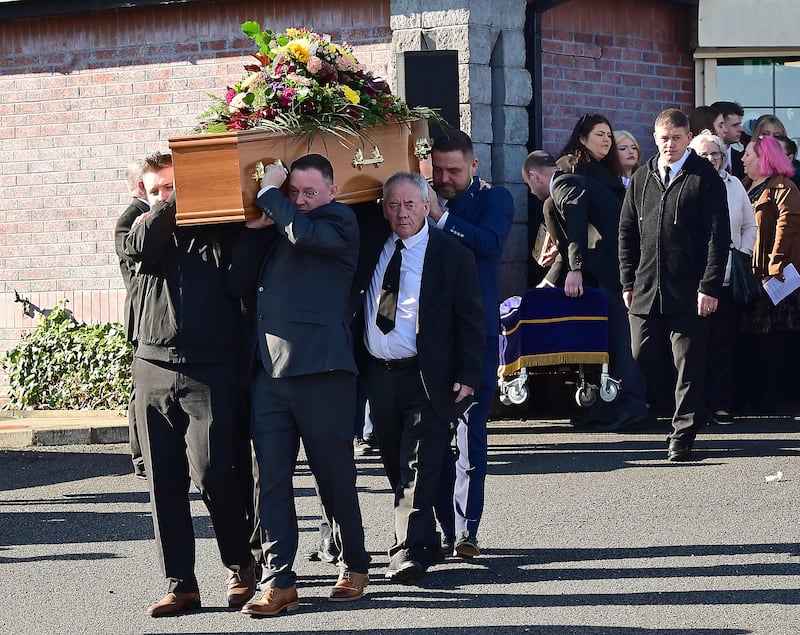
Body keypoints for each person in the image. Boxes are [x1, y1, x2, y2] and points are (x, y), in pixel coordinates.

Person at [227, 154, 371, 616]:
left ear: (332, 191)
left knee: (333, 477)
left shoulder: (339, 221)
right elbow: (241, 283)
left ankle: (354, 563)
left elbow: (304, 234)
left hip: (322, 374)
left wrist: (270, 193)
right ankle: (279, 579)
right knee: (270, 481)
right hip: (269, 373)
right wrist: (254, 227)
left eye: (311, 192)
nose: (302, 201)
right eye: (296, 193)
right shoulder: (280, 223)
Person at [122, 152, 255, 617]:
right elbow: (139, 243)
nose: (166, 196)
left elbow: (240, 282)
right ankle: (181, 585)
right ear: (143, 193)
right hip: (152, 369)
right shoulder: (133, 228)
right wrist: (169, 201)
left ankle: (239, 567)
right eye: (157, 189)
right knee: (164, 484)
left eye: (174, 187)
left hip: (209, 370)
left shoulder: (216, 227)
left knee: (216, 474)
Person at [351, 171, 485, 583]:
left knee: (418, 464)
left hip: (428, 376)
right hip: (378, 375)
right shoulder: (372, 245)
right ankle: (425, 539)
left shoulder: (451, 254)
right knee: (394, 462)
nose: (402, 213)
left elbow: (471, 319)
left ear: (427, 207)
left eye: (410, 204)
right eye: (393, 205)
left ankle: (405, 550)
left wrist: (468, 373)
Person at [619, 109, 731, 462]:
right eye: (664, 138)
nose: (670, 144)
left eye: (677, 138)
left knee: (689, 363)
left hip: (690, 290)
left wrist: (710, 286)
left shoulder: (704, 178)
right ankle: (679, 409)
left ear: (687, 139)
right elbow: (627, 232)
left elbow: (718, 236)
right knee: (643, 354)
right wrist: (627, 280)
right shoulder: (642, 177)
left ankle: (682, 435)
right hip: (646, 287)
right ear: (655, 138)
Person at [427, 130, 514, 559]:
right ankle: (439, 527)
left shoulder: (495, 199)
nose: (444, 178)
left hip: (475, 335)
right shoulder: (416, 201)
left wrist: (440, 217)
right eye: (437, 169)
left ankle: (466, 530)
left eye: (454, 171)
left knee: (468, 432)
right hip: (427, 339)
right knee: (429, 436)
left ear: (473, 166)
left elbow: (490, 244)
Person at [524, 150, 649, 432]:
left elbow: (577, 222)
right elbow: (564, 246)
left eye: (529, 185)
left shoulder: (567, 185)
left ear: (534, 176)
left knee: (623, 341)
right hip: (608, 275)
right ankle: (608, 408)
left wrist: (575, 269)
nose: (531, 192)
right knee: (612, 343)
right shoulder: (553, 201)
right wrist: (550, 281)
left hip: (619, 274)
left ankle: (631, 407)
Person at [688, 130, 757, 425]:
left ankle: (721, 405)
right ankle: (693, 406)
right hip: (692, 280)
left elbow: (750, 226)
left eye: (715, 153)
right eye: (704, 154)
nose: (711, 159)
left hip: (727, 277)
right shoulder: (687, 184)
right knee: (692, 348)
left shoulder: (734, 186)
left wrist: (738, 253)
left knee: (723, 346)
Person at [738, 134, 800, 410]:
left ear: (764, 159)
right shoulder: (745, 186)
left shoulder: (784, 188)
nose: (742, 159)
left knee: (772, 337)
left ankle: (770, 399)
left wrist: (775, 266)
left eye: (747, 155)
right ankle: (755, 395)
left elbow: (786, 229)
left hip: (774, 277)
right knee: (753, 337)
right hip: (748, 274)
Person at [114, 159, 149, 479]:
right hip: (143, 318)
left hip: (145, 316)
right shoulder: (131, 219)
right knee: (140, 392)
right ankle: (141, 458)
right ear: (141, 186)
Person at [558, 113, 626, 201]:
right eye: (600, 134)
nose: (606, 139)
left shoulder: (609, 169)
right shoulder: (573, 165)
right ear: (582, 138)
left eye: (609, 135)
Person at [711, 101, 746, 179]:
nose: (741, 129)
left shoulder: (743, 160)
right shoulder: (703, 158)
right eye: (735, 125)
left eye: (740, 124)